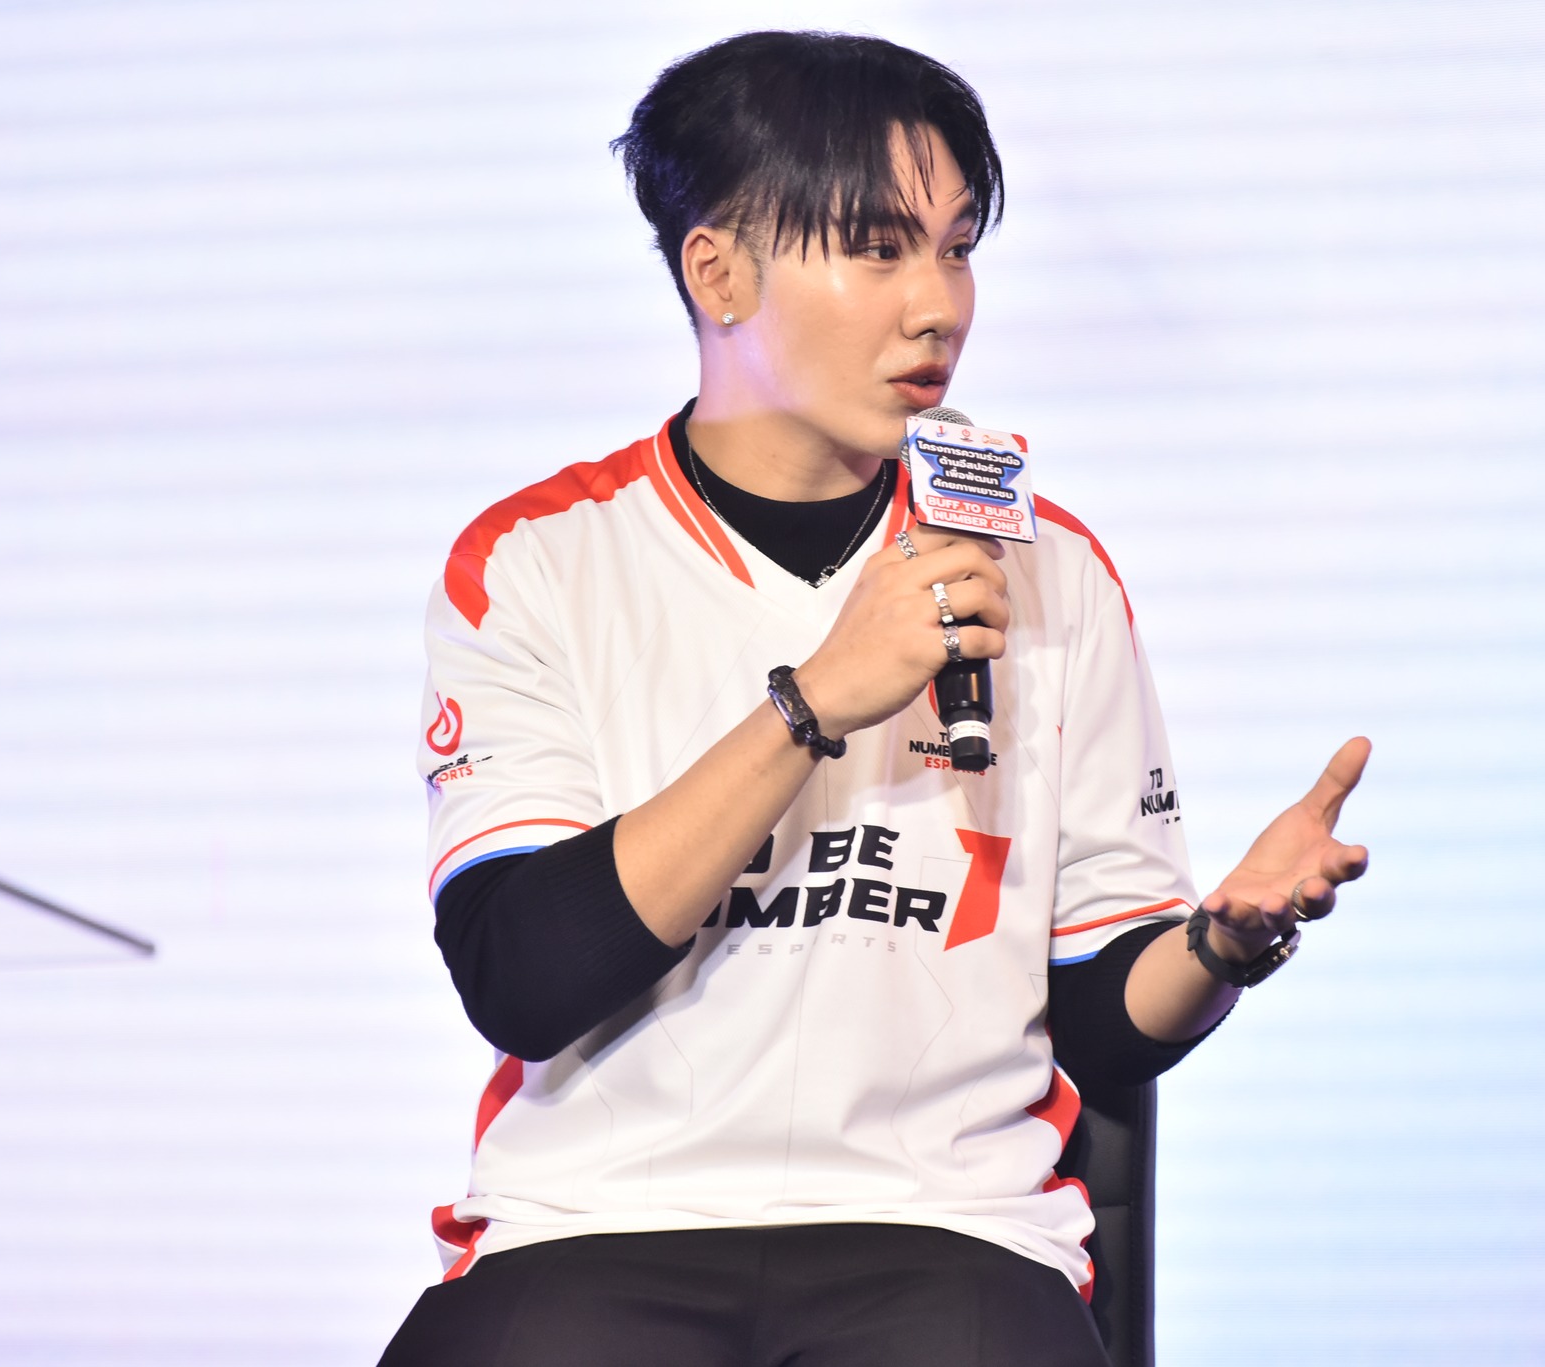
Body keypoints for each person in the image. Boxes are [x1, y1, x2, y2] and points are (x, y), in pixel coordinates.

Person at [380, 30, 1369, 1367]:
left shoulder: (1052, 569)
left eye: (956, 248)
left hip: (945, 1226)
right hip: (599, 1219)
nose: (939, 306)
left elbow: (1100, 1019)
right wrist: (814, 704)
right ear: (718, 272)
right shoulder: (539, 562)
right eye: (878, 248)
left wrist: (1221, 945)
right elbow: (526, 980)